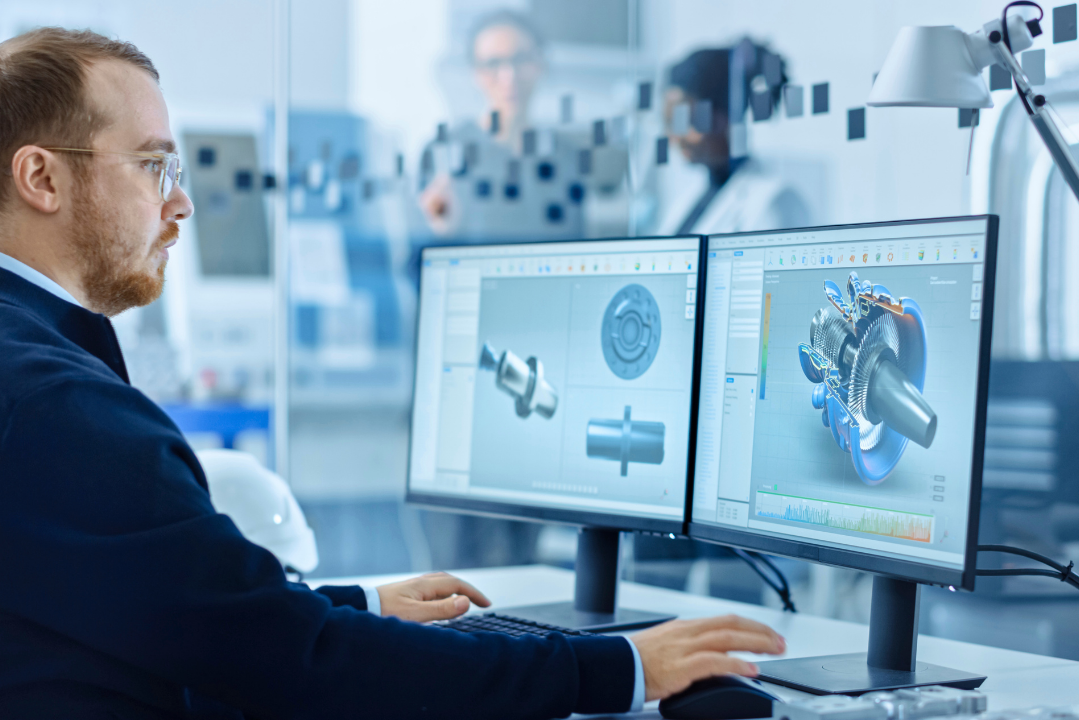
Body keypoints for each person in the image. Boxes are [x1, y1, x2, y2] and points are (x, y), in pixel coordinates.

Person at [0, 28, 785, 719]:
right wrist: (616, 668)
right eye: (153, 166)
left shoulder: (32, 366)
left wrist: (362, 604)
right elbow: (292, 664)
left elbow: (176, 611)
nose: (181, 205)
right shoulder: (57, 406)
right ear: (42, 179)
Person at [656, 42, 811, 236]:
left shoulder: (776, 201)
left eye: (687, 121)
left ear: (727, 116)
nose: (674, 138)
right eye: (669, 123)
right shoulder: (685, 201)